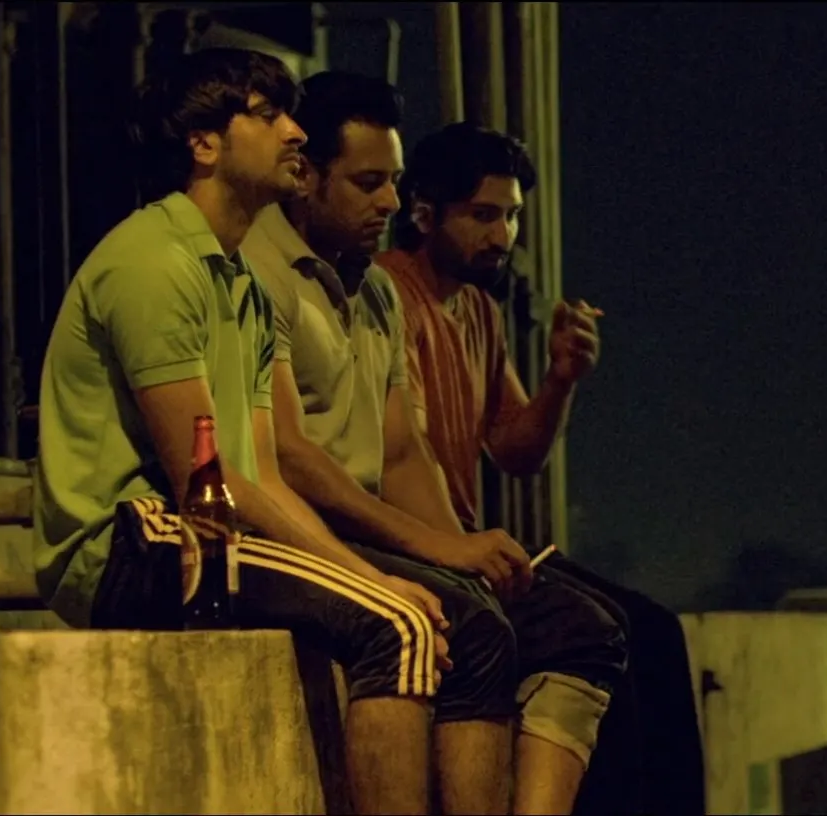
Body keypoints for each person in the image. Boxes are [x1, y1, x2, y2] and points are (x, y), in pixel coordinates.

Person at [30, 49, 447, 816]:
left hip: (201, 529)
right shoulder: (154, 263)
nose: (295, 132)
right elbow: (207, 477)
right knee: (396, 627)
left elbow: (261, 476)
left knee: (431, 614)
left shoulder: (243, 283)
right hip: (128, 542)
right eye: (267, 115)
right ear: (203, 143)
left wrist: (361, 571)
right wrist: (369, 583)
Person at [240, 71, 626, 816]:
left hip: (381, 528)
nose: (388, 202)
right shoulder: (261, 275)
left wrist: (463, 550)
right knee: (469, 629)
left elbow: (403, 454)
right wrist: (443, 552)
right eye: (368, 183)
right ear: (304, 176)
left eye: (391, 181)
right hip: (310, 531)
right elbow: (287, 455)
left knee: (591, 630)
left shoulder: (376, 291)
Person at [378, 122, 708, 815]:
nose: (502, 236)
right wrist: (461, 550)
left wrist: (562, 378)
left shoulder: (476, 308)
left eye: (512, 216)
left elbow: (514, 449)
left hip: (466, 544)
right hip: (419, 546)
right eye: (483, 215)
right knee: (599, 633)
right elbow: (402, 453)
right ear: (424, 213)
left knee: (655, 632)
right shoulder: (389, 295)